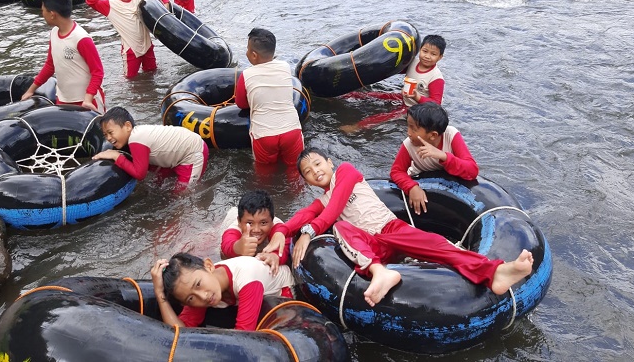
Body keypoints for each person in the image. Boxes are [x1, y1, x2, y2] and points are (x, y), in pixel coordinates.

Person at [263, 148, 534, 307]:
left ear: (329, 163)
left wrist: (309, 232)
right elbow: (304, 214)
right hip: (372, 246)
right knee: (342, 230)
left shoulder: (346, 172)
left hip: (390, 228)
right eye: (308, 172)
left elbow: (333, 209)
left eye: (317, 164)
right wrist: (280, 231)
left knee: (437, 245)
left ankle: (496, 271)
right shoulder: (322, 200)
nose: (315, 171)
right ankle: (380, 273)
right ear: (308, 181)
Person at [151, 252, 295, 331]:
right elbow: (179, 334)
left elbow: (244, 336)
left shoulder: (247, 278)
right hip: (244, 302)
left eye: (198, 284)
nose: (203, 296)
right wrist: (160, 293)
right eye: (190, 299)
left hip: (286, 297)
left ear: (208, 266)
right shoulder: (199, 284)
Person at [21, 0, 105, 112]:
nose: (42, 14)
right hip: (63, 99)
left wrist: (88, 98)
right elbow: (50, 65)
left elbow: (98, 72)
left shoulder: (81, 38)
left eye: (43, 11)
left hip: (87, 101)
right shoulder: (54, 33)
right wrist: (30, 90)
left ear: (52, 14)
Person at [390, 102, 478, 215]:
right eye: (408, 126)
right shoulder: (409, 145)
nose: (408, 133)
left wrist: (443, 156)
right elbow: (396, 171)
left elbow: (472, 170)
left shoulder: (451, 136)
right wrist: (412, 187)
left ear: (433, 135)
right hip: (422, 179)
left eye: (413, 129)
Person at [235, 28, 304, 168]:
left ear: (254, 55)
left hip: (264, 135)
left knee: (264, 174)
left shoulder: (246, 75)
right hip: (292, 131)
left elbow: (241, 103)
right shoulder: (285, 67)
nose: (246, 52)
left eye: (247, 49)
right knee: (296, 171)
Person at [93, 106, 208, 189]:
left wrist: (116, 156)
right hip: (178, 150)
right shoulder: (136, 136)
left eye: (110, 132)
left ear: (127, 126)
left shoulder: (136, 139)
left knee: (181, 193)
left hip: (192, 152)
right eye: (105, 135)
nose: (108, 138)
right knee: (158, 183)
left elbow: (140, 175)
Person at [86, 0, 169, 78]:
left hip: (147, 45)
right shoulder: (110, 5)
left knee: (152, 73)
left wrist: (165, 3)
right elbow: (91, 2)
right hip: (131, 49)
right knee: (130, 79)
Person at [220, 190, 291, 271]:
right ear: (239, 222)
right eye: (250, 223)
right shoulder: (235, 228)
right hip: (227, 221)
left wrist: (275, 256)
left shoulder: (277, 227)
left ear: (272, 221)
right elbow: (226, 245)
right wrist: (238, 248)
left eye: (263, 223)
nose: (256, 230)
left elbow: (287, 244)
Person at [403, 34, 446, 107]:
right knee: (378, 95)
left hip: (418, 109)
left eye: (433, 54)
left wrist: (417, 97)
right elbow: (398, 70)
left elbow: (436, 104)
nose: (427, 56)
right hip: (404, 98)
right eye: (425, 51)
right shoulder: (412, 62)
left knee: (384, 117)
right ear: (420, 49)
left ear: (440, 57)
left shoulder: (436, 78)